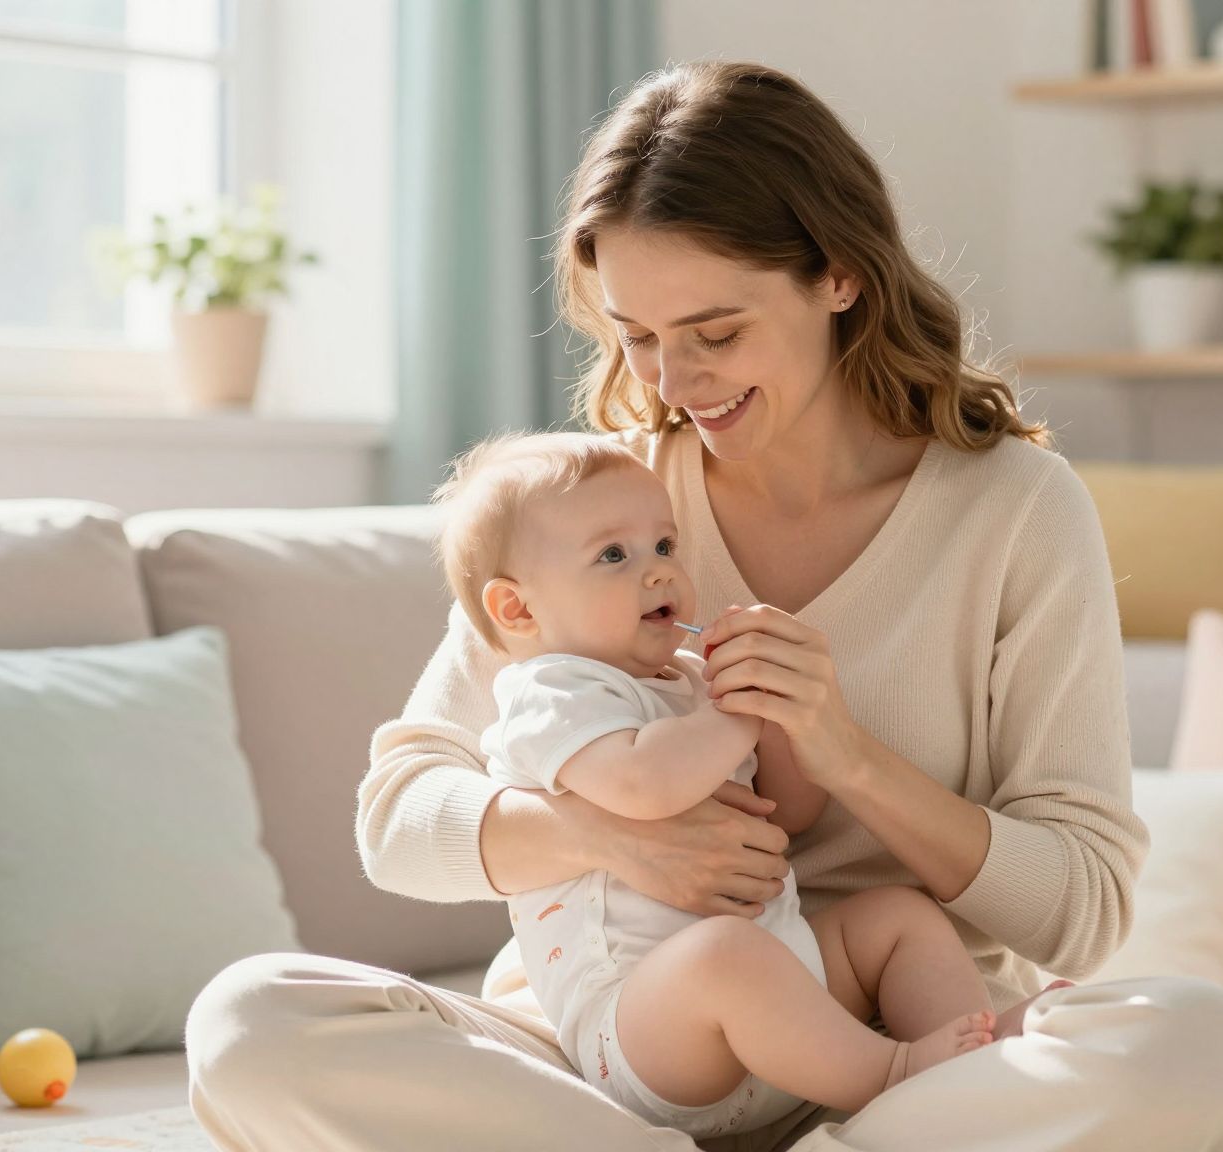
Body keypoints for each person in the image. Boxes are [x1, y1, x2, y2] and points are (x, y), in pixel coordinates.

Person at [185, 59, 1223, 1152]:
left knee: (1201, 1043)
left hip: (905, 1060)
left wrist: (849, 756)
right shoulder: (601, 509)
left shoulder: (1014, 510)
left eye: (714, 334)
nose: (672, 382)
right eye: (637, 336)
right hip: (610, 1060)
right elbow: (396, 821)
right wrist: (612, 839)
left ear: (839, 276)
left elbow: (1083, 911)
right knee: (252, 1022)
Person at [434, 429, 1014, 1139]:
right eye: (614, 555)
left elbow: (788, 813)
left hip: (787, 1001)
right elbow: (646, 784)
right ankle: (897, 1074)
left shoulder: (688, 681)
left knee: (897, 918)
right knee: (723, 956)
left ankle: (979, 1052)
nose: (658, 573)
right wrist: (736, 711)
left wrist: (782, 714)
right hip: (648, 1038)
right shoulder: (550, 691)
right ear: (518, 610)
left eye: (665, 546)